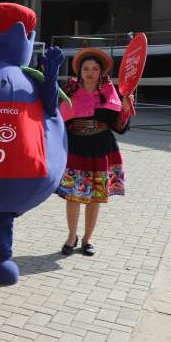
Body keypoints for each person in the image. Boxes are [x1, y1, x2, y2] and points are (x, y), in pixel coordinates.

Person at [57, 47, 134, 257]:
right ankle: (71, 237)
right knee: (73, 196)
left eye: (94, 69)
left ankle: (87, 239)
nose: (90, 72)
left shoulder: (111, 93)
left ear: (101, 72)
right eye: (86, 69)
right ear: (80, 72)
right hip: (76, 148)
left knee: (94, 197)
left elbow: (120, 127)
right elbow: (58, 122)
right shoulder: (69, 91)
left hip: (101, 149)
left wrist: (126, 108)